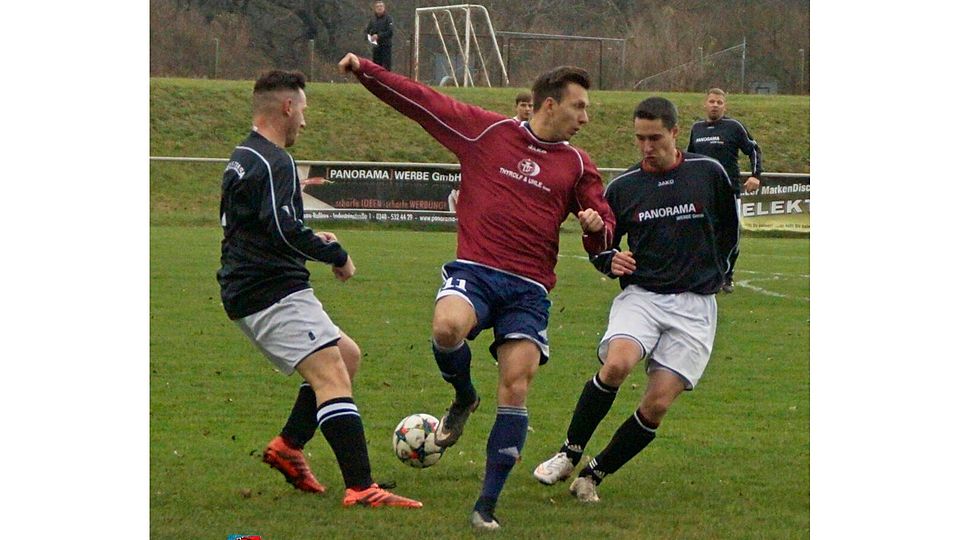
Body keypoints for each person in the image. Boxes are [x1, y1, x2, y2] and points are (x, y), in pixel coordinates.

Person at [338, 53, 615, 531]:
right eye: (580, 107)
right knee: (447, 329)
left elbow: (604, 229)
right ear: (549, 105)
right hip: (477, 270)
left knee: (516, 385)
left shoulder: (577, 164)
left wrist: (595, 226)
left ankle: (486, 505)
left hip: (528, 290)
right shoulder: (488, 132)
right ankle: (464, 397)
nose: (586, 118)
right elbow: (422, 102)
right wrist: (366, 70)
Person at [216, 69, 421, 509]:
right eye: (303, 111)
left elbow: (264, 227)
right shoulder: (274, 160)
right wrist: (336, 254)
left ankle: (289, 446)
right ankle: (363, 488)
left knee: (347, 357)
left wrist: (313, 239)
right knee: (331, 375)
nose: (304, 122)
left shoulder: (244, 155)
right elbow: (285, 230)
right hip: (269, 291)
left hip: (259, 285)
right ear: (287, 107)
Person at [533, 97, 739, 504]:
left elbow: (730, 231)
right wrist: (608, 259)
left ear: (675, 133)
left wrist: (722, 272)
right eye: (640, 138)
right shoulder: (624, 187)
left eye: (655, 138)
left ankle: (592, 475)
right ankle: (569, 452)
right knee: (617, 364)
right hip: (642, 296)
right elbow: (602, 246)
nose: (647, 146)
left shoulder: (708, 173)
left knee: (657, 404)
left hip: (695, 307)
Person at [686, 87, 762, 293]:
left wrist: (756, 175)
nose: (715, 105)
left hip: (728, 192)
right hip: (703, 193)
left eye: (719, 102)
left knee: (730, 235)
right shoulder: (697, 128)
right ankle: (703, 275)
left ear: (724, 106)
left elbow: (753, 149)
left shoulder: (734, 127)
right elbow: (689, 158)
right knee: (701, 235)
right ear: (705, 103)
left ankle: (726, 276)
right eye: (712, 101)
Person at [364, 1, 394, 70]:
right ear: (375, 8)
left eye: (381, 6)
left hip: (386, 46)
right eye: (377, 6)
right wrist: (369, 37)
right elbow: (367, 31)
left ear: (384, 8)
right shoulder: (373, 20)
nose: (379, 8)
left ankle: (387, 80)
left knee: (386, 66)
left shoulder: (388, 18)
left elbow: (390, 32)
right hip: (376, 47)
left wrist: (378, 36)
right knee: (376, 66)